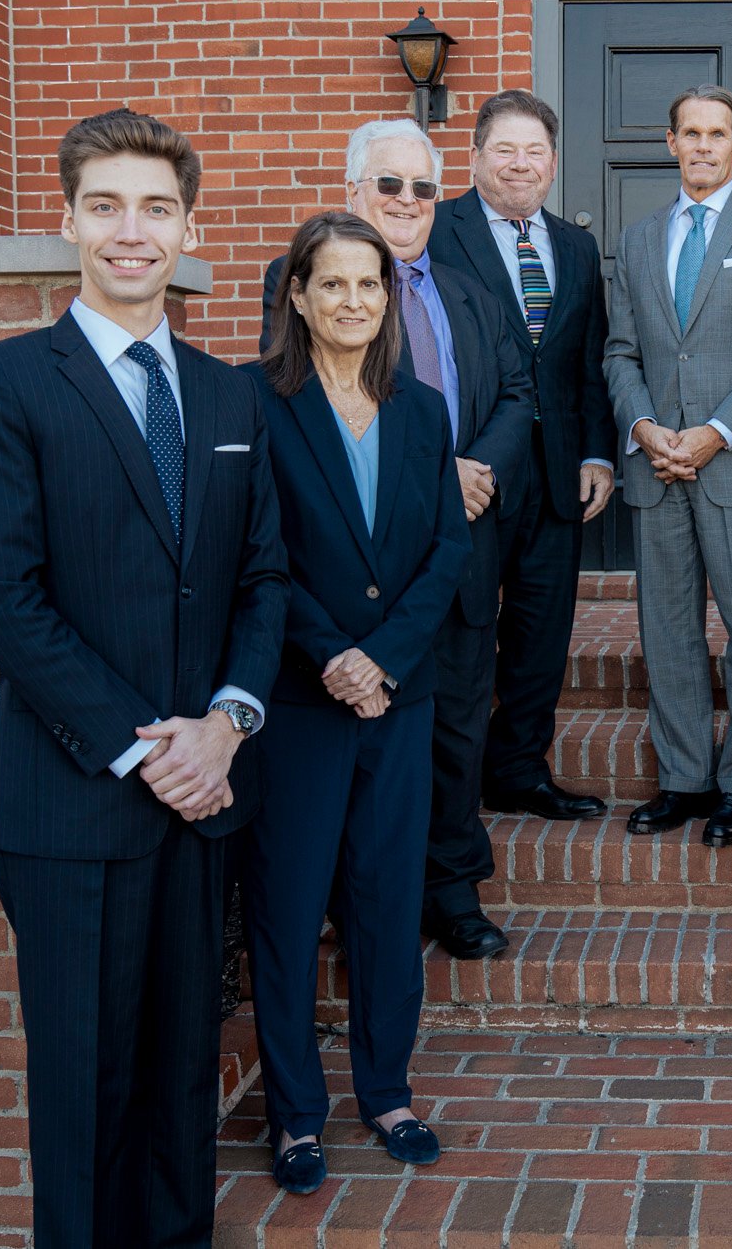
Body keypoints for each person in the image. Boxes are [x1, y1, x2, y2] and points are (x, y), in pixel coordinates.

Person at [0, 108, 287, 1249]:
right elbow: (5, 600)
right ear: (69, 222)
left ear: (188, 228)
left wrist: (226, 724)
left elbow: (263, 578)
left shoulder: (230, 396)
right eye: (106, 206)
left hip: (204, 799)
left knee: (183, 1081)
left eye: (155, 208)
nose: (131, 231)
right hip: (76, 802)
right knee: (86, 1092)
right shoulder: (2, 384)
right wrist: (149, 748)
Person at [261, 118, 534, 960]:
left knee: (456, 723)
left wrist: (475, 468)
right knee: (357, 734)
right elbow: (301, 404)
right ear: (353, 191)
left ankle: (451, 889)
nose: (408, 200)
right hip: (350, 572)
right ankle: (360, 903)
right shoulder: (303, 279)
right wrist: (436, 472)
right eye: (389, 184)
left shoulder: (470, 290)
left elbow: (517, 390)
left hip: (457, 549)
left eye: (422, 187)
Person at [241, 212, 471, 1194]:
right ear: (296, 294)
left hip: (398, 699)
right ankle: (296, 1112)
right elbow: (253, 551)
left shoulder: (421, 410)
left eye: (369, 284)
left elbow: (447, 549)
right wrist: (333, 653)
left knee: (386, 904)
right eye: (331, 283)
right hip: (300, 701)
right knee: (290, 911)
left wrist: (383, 657)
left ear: (389, 298)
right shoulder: (255, 402)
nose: (352, 301)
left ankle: (386, 1090)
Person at [603, 83, 732, 848]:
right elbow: (620, 351)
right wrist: (645, 426)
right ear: (670, 143)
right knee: (667, 628)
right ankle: (686, 776)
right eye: (689, 133)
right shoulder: (636, 239)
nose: (701, 146)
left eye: (716, 133)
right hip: (655, 465)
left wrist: (715, 433)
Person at [429, 89, 614, 823]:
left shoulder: (575, 245)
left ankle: (519, 772)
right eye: (504, 149)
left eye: (534, 151)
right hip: (474, 469)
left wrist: (598, 452)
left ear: (554, 163)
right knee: (468, 631)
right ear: (474, 156)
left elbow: (588, 359)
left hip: (559, 471)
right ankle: (454, 785)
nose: (519, 163)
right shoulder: (436, 231)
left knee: (541, 632)